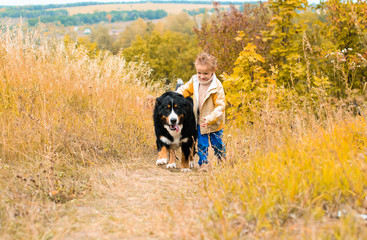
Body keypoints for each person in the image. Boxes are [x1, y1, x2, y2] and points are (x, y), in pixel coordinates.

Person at [176, 52, 226, 171]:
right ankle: (203, 163)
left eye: (205, 73)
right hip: (199, 120)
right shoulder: (195, 81)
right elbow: (185, 89)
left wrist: (210, 118)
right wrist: (176, 95)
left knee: (216, 143)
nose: (201, 76)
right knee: (202, 144)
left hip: (213, 122)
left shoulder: (217, 87)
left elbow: (220, 106)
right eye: (199, 73)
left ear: (213, 70)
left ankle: (222, 158)